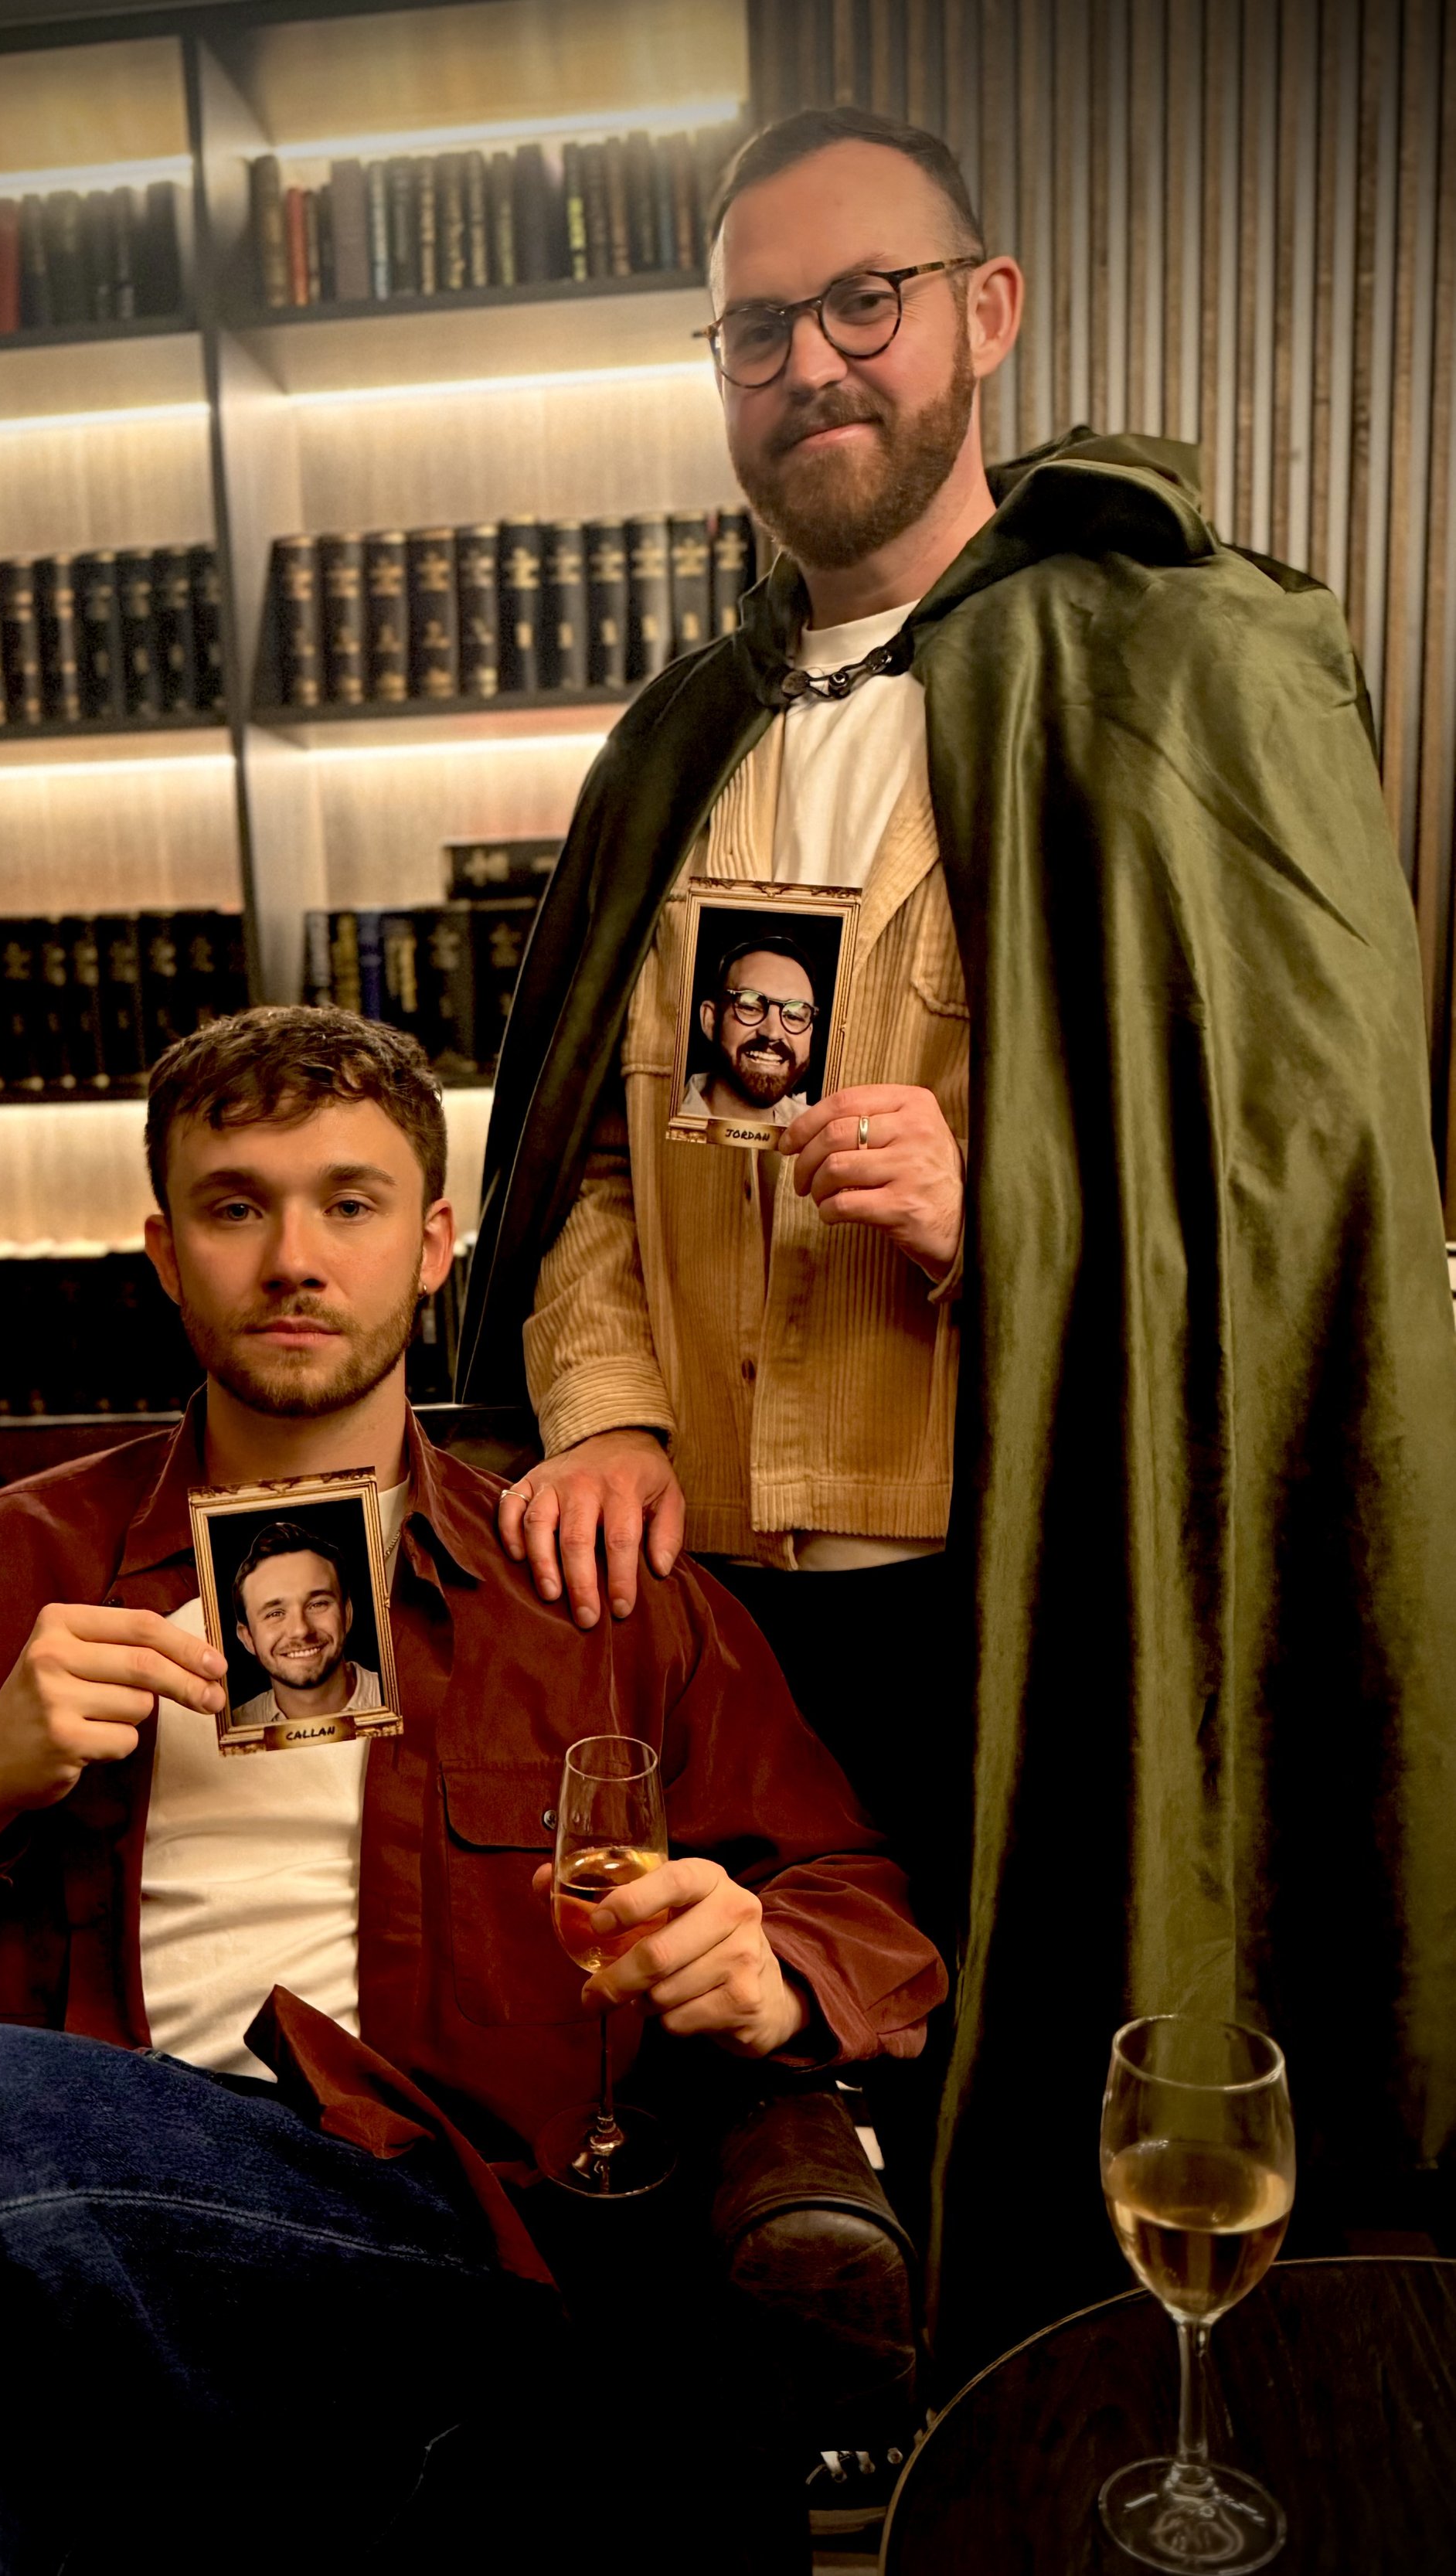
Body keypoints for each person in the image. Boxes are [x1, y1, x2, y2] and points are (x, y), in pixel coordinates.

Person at [458, 103, 1456, 2368]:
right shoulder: (668, 749)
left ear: (978, 318)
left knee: (1041, 2156)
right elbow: (591, 1170)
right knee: (711, 2168)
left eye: (858, 302)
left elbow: (1292, 1177)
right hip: (701, 1622)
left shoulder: (1175, 666)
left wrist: (992, 1203)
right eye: (750, 328)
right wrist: (599, 1413)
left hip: (1023, 1604)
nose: (807, 364)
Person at [0, 1008, 943, 2570]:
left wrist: (766, 1959)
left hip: (432, 2254)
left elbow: (854, 1900)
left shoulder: (589, 1586)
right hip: (39, 2282)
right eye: (234, 1206)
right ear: (161, 1250)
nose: (291, 1257)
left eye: (346, 1204)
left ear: (431, 1246)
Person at [227, 1519, 382, 1729]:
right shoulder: (232, 1729)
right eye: (275, 1613)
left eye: (317, 1604)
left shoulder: (403, 1699)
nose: (301, 1630)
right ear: (248, 1638)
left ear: (347, 1613)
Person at [679, 935, 819, 1124]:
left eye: (794, 1016)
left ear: (809, 1032)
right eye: (750, 1007)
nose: (772, 1033)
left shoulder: (817, 1130)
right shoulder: (654, 1116)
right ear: (710, 1020)